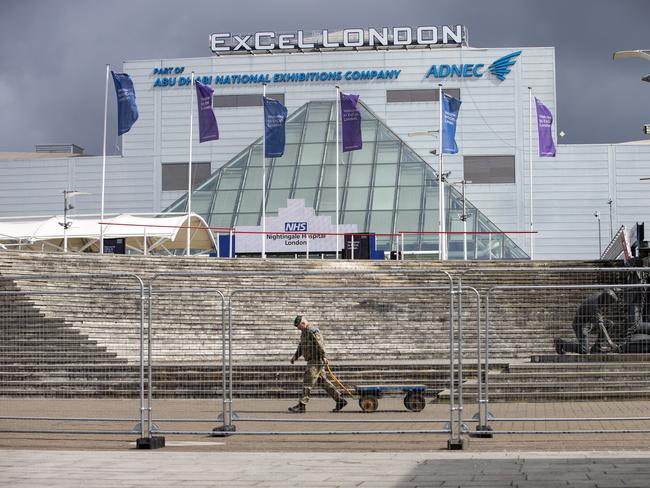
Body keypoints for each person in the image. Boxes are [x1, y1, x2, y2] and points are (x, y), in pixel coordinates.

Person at [288, 315, 347, 413]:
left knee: (308, 380)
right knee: (322, 382)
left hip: (316, 360)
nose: (298, 329)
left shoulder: (312, 331)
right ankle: (340, 400)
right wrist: (295, 356)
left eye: (299, 327)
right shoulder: (304, 333)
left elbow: (320, 344)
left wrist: (324, 356)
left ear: (303, 323)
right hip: (312, 360)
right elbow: (301, 346)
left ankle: (302, 405)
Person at [555, 289, 619, 355]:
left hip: (590, 323)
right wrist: (610, 342)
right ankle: (561, 343)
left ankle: (596, 348)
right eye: (609, 303)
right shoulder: (594, 306)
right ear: (606, 300)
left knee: (609, 324)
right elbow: (601, 326)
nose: (609, 306)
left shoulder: (600, 296)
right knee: (584, 350)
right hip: (581, 325)